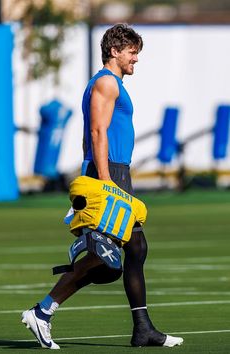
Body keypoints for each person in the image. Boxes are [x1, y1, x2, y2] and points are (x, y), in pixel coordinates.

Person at [22, 23, 184, 350]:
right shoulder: (107, 83)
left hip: (117, 172)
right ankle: (42, 311)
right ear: (114, 51)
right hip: (106, 174)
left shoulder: (115, 84)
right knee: (105, 258)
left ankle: (143, 329)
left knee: (135, 249)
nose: (136, 59)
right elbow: (98, 132)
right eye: (132, 52)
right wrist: (107, 182)